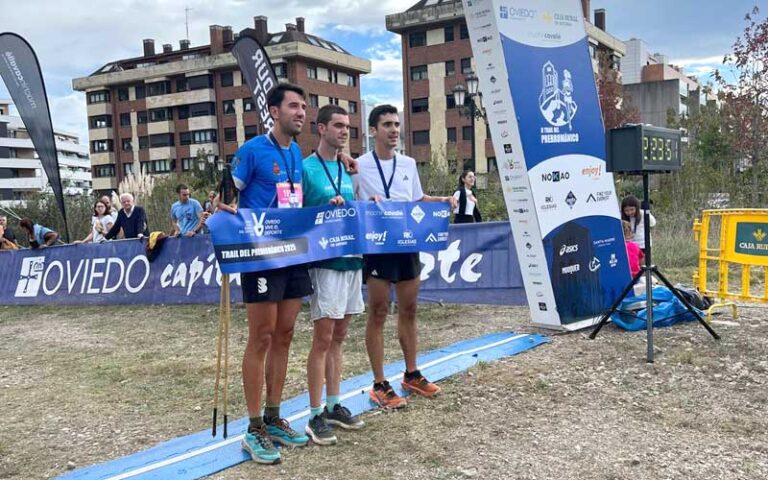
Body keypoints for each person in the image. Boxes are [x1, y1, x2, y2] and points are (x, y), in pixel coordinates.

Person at [353, 104, 457, 409]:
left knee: (409, 309)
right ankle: (379, 384)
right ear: (373, 131)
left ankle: (412, 374)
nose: (394, 130)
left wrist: (441, 200)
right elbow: (351, 202)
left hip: (407, 242)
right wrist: (368, 202)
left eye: (397, 124)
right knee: (378, 312)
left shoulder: (408, 164)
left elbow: (417, 199)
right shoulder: (358, 166)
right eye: (387, 124)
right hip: (378, 246)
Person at [229, 83, 312, 464]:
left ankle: (274, 417)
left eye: (304, 107)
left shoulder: (295, 152)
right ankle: (253, 428)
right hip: (261, 256)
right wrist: (224, 219)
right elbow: (225, 197)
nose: (301, 112)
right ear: (274, 111)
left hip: (293, 251)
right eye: (294, 106)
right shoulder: (251, 150)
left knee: (285, 334)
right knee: (261, 336)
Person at [301, 105, 365, 446]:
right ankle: (314, 414)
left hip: (351, 258)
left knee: (340, 335)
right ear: (321, 128)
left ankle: (332, 405)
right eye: (338, 125)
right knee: (323, 338)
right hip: (324, 261)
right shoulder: (306, 168)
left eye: (348, 127)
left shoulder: (346, 167)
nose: (344, 131)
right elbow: (296, 215)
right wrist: (322, 212)